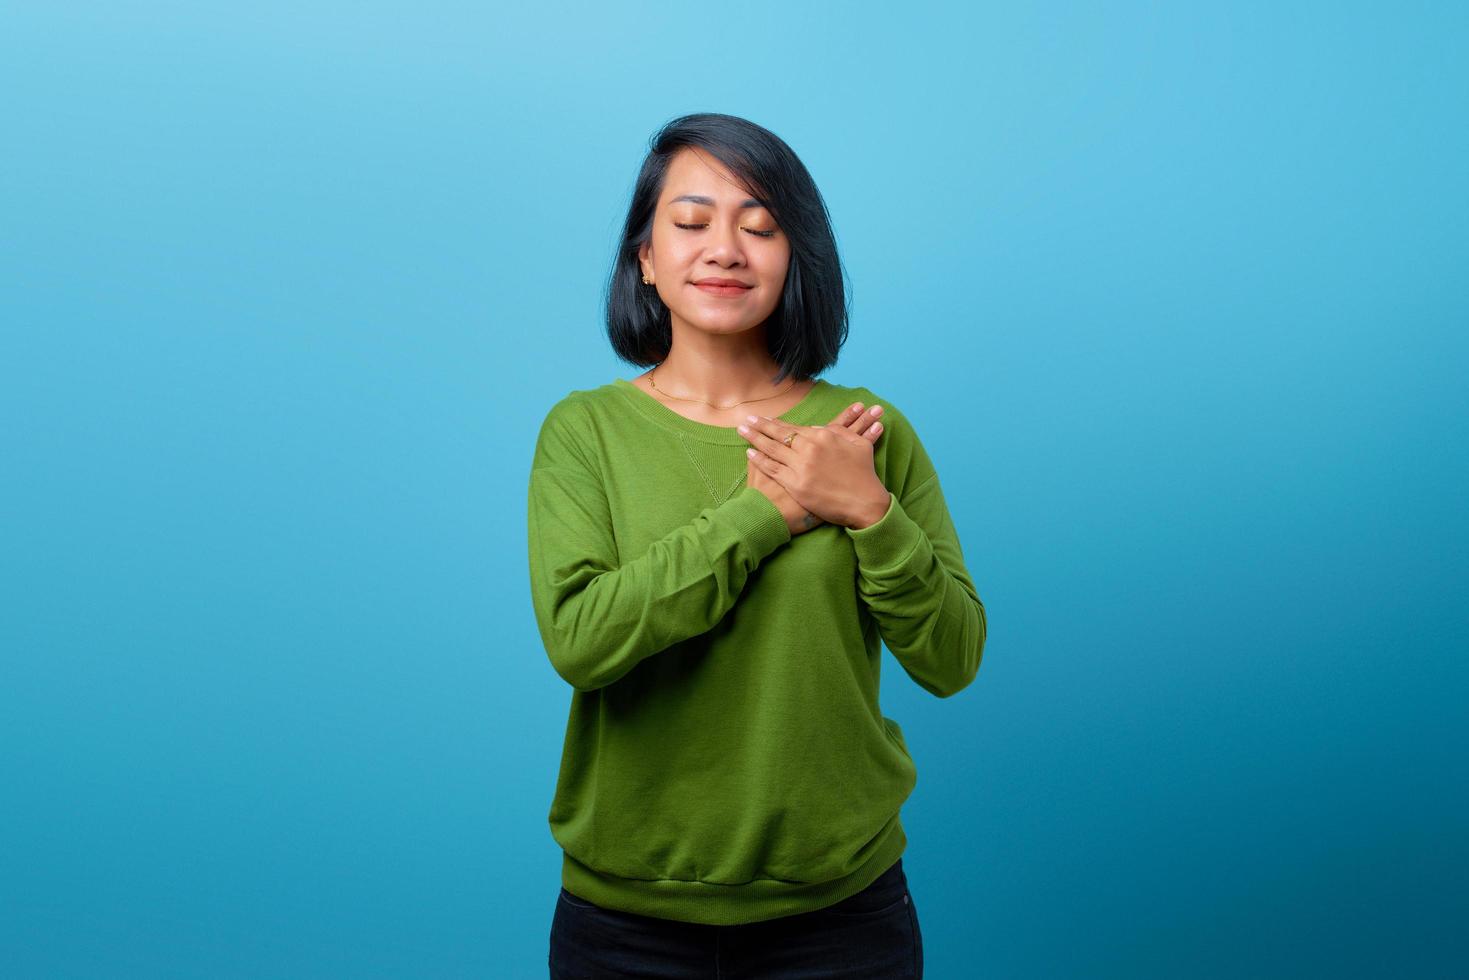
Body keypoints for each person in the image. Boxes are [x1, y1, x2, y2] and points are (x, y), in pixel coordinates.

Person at [527, 112, 986, 978]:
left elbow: (952, 659)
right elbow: (583, 642)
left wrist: (872, 514)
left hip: (841, 915)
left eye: (761, 226)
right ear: (646, 259)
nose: (727, 249)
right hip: (625, 921)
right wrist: (763, 514)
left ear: (794, 255)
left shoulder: (867, 432)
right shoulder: (584, 432)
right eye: (692, 223)